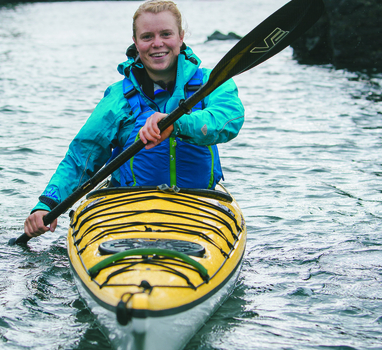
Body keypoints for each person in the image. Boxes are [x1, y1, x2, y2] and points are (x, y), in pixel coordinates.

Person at [24, 0, 245, 237]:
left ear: (181, 37)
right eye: (147, 36)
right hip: (129, 211)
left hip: (198, 205)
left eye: (166, 34)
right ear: (136, 43)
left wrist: (176, 123)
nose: (157, 43)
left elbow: (228, 121)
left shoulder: (212, 83)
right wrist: (47, 203)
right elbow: (83, 155)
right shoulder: (119, 97)